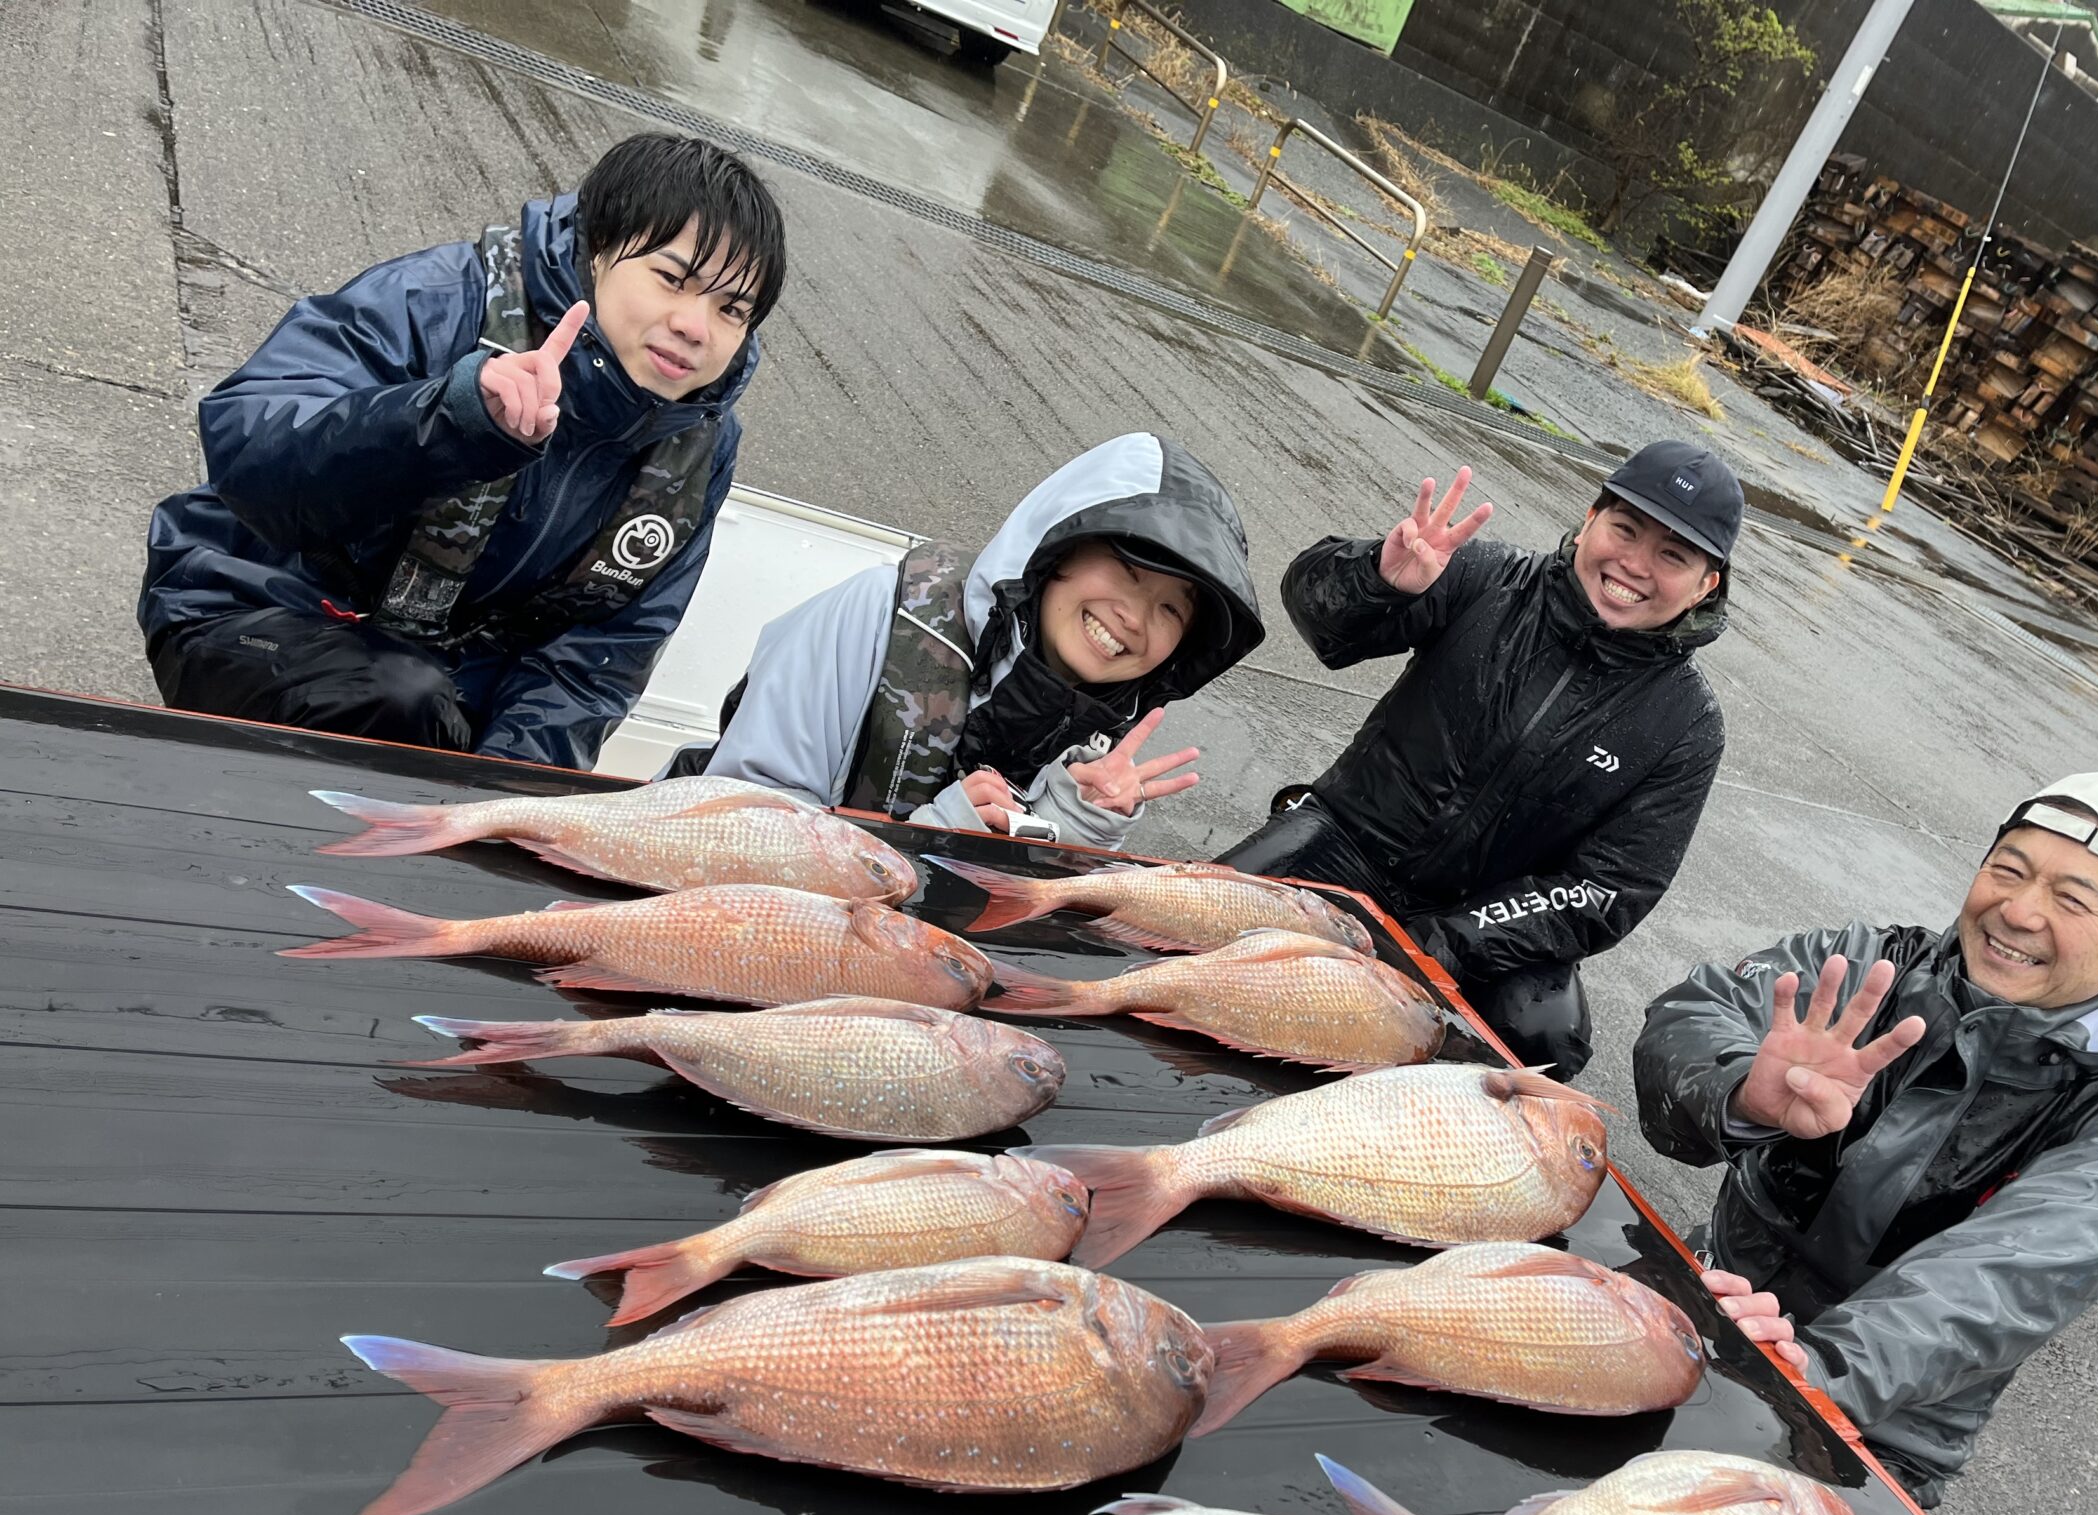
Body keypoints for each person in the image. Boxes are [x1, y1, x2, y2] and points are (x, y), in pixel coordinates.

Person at [1632, 774, 2098, 1508]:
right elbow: (1697, 1012)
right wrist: (1744, 1093)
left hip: (1866, 1434)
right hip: (1706, 1295)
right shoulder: (1872, 962)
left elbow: (1993, 1282)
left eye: (2071, 899)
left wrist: (1813, 1366)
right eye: (2009, 868)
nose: (2018, 910)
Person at [139, 133, 785, 769]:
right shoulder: (443, 299)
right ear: (596, 249)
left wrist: (499, 797)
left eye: (731, 309)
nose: (694, 326)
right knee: (399, 703)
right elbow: (247, 455)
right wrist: (450, 423)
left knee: (482, 776)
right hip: (252, 607)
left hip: (445, 684)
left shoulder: (702, 446)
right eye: (672, 279)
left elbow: (594, 666)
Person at [1216, 441, 1738, 1080]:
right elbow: (1328, 627)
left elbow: (1612, 887)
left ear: (1705, 584)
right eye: (1625, 529)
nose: (1634, 564)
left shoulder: (1687, 724)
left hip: (1486, 921)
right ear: (1591, 517)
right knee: (1212, 914)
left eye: (1673, 555)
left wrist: (1452, 940)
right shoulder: (1488, 577)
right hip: (1348, 843)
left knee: (1544, 1038)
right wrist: (1378, 581)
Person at [699, 433, 1262, 851]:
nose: (1134, 618)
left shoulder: (1103, 724)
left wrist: (1082, 826)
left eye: (1170, 608)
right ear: (1057, 547)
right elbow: (735, 830)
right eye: (1128, 572)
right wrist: (937, 839)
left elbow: (1019, 917)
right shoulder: (879, 612)